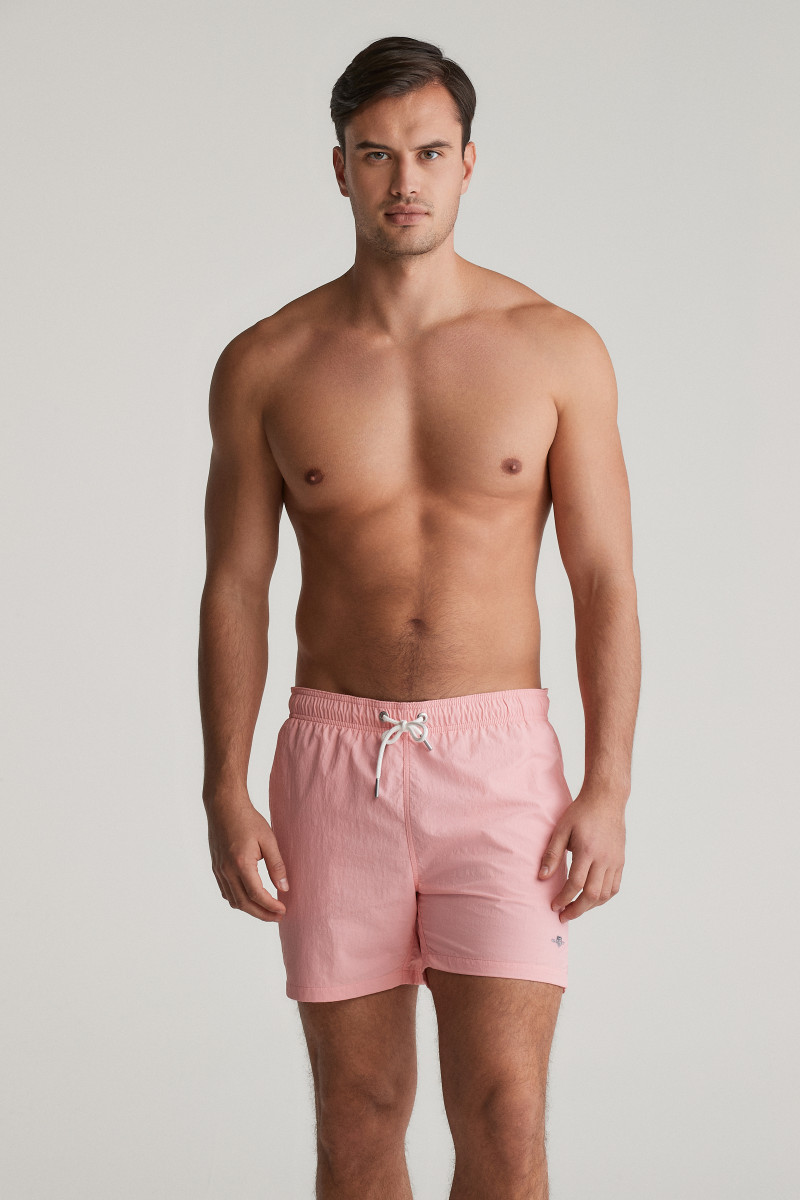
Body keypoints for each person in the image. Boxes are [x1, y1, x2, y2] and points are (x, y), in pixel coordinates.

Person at [198, 33, 641, 1200]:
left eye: (429, 153)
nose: (405, 181)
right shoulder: (266, 363)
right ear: (338, 167)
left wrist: (606, 785)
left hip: (499, 767)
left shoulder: (553, 349)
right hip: (331, 761)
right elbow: (234, 583)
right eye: (376, 154)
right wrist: (222, 785)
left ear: (467, 162)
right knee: (355, 1118)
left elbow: (602, 578)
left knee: (504, 1116)